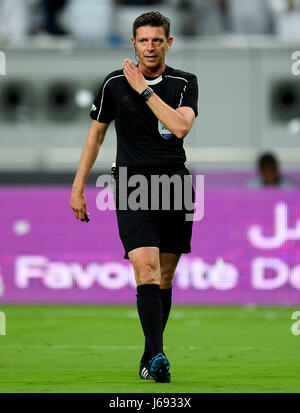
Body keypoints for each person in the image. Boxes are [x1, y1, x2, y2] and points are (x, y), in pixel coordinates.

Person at [69, 11, 198, 383]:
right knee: (145, 268)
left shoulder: (184, 82)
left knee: (166, 277)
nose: (150, 47)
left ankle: (149, 353)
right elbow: (95, 137)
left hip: (174, 186)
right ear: (133, 43)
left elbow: (179, 127)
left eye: (157, 40)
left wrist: (143, 88)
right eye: (143, 40)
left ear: (169, 43)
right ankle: (158, 356)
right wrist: (78, 188)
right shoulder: (113, 83)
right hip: (133, 186)